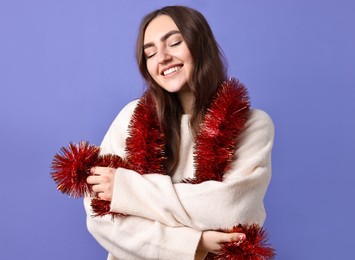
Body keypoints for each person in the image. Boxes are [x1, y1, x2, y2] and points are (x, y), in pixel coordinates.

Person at [84, 5, 274, 260]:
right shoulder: (131, 117)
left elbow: (231, 209)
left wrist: (127, 190)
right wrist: (196, 243)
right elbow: (100, 217)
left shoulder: (252, 125)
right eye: (149, 53)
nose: (161, 57)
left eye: (174, 43)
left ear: (200, 44)